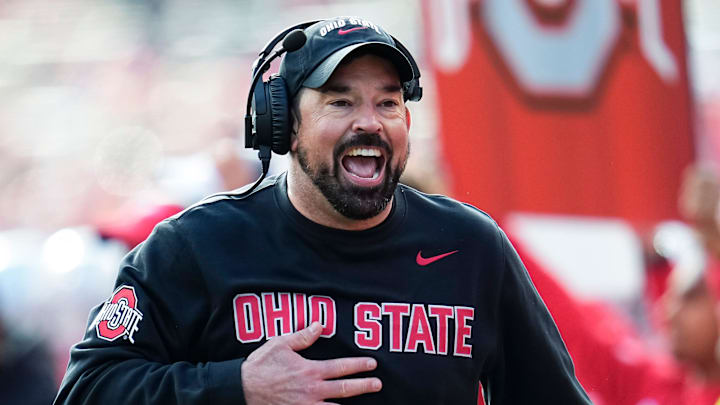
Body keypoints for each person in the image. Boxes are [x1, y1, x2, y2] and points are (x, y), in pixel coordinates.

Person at [53, 16, 590, 404]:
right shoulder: (194, 246)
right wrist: (234, 387)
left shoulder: (471, 246)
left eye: (388, 102)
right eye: (340, 101)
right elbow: (87, 389)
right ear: (283, 125)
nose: (370, 122)